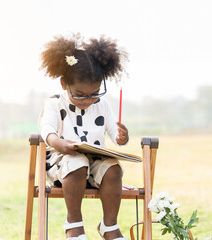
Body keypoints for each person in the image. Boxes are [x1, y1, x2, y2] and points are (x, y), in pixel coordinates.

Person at [39, 33, 129, 240]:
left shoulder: (102, 105)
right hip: (63, 164)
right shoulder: (54, 103)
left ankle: (109, 226)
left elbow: (115, 134)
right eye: (80, 94)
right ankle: (74, 224)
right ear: (63, 84)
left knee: (113, 168)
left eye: (94, 93)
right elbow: (47, 131)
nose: (87, 100)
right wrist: (59, 144)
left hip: (95, 162)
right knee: (77, 162)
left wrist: (122, 137)